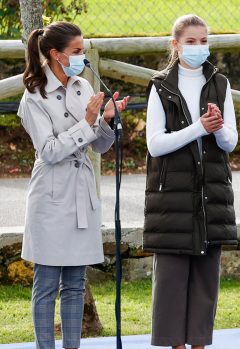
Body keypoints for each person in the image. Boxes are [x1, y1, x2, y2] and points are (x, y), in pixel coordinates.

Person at [18, 21, 129, 349]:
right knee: (48, 283)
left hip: (82, 196)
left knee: (76, 284)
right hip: (52, 198)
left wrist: (105, 119)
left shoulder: (82, 86)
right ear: (55, 54)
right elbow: (50, 151)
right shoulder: (34, 96)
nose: (83, 57)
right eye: (77, 52)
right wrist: (87, 122)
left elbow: (99, 147)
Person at [143, 14, 238, 349]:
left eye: (203, 41)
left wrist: (218, 128)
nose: (199, 48)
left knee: (204, 284)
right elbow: (155, 144)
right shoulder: (161, 86)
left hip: (210, 196)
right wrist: (199, 128)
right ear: (175, 45)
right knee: (170, 285)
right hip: (172, 199)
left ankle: (198, 344)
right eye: (191, 41)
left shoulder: (220, 83)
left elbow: (230, 142)